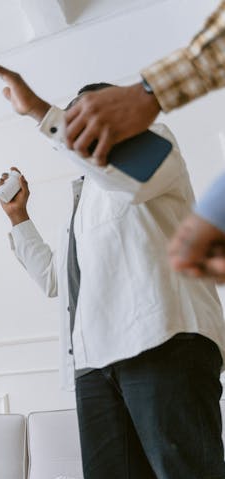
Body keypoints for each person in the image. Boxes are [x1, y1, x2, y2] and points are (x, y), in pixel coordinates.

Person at [0, 64, 225, 479]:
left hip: (163, 342)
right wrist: (19, 218)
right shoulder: (81, 205)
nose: (75, 135)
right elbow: (57, 281)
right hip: (93, 363)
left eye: (85, 121)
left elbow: (127, 177)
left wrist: (39, 112)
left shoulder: (156, 145)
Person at [58, 2, 225, 280]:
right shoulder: (81, 199)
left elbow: (134, 184)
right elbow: (58, 281)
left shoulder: (155, 139)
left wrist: (149, 92)